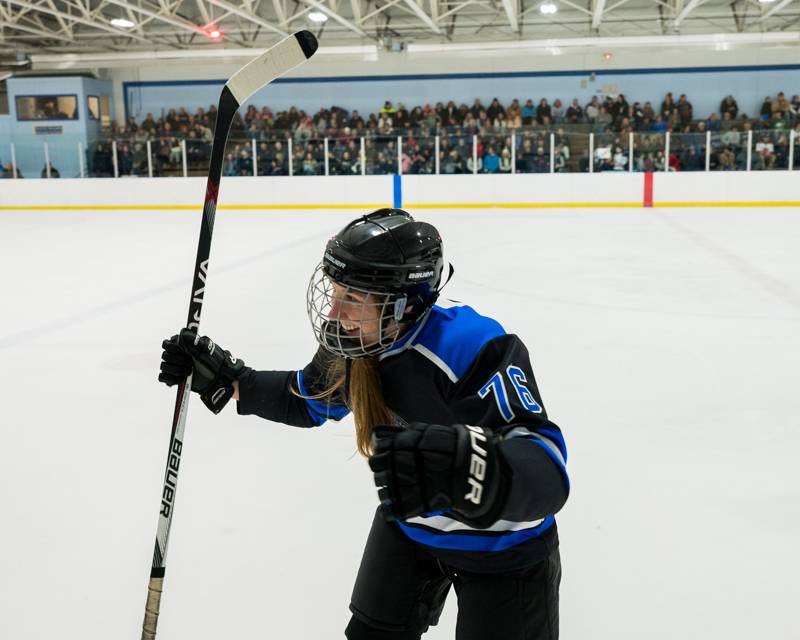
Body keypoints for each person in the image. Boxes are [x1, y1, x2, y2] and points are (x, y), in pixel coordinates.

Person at [158, 209, 569, 640]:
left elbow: (547, 471)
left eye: (351, 300)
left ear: (402, 304)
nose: (335, 312)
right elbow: (308, 400)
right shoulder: (357, 341)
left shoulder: (469, 345)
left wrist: (470, 468)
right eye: (335, 292)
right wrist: (230, 381)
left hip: (503, 550)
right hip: (413, 527)